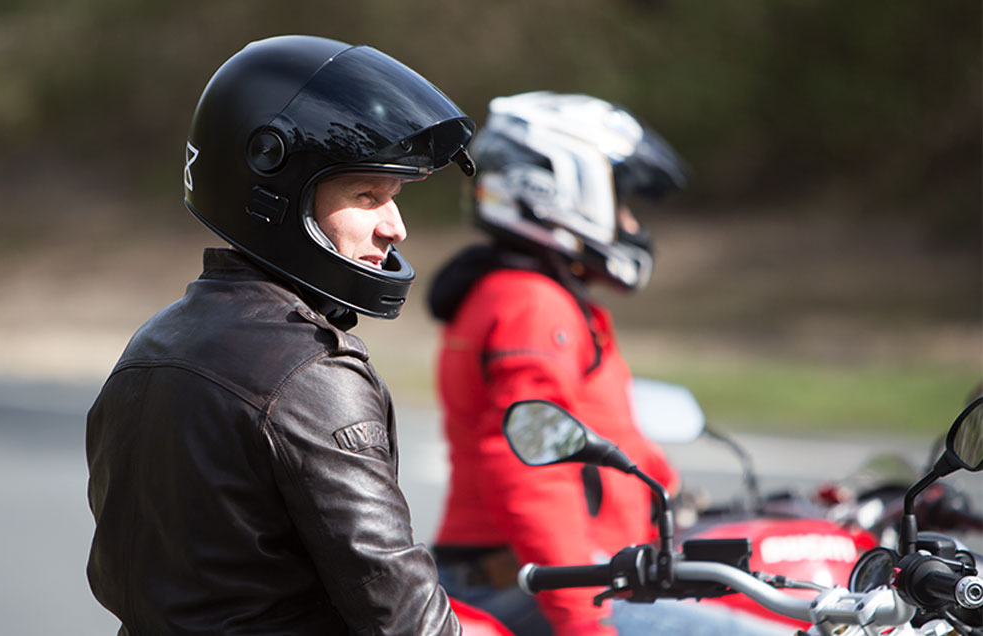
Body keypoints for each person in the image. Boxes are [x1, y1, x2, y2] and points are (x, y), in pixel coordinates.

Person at [85, 35, 475, 635]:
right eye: (367, 195)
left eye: (394, 197)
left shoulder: (153, 344)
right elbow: (405, 615)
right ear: (276, 192)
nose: (394, 226)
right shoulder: (308, 375)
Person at [427, 92, 770, 635]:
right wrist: (583, 624)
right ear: (563, 190)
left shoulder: (516, 295)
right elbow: (532, 468)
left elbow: (601, 439)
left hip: (526, 574)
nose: (631, 222)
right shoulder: (532, 306)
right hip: (535, 586)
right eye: (622, 201)